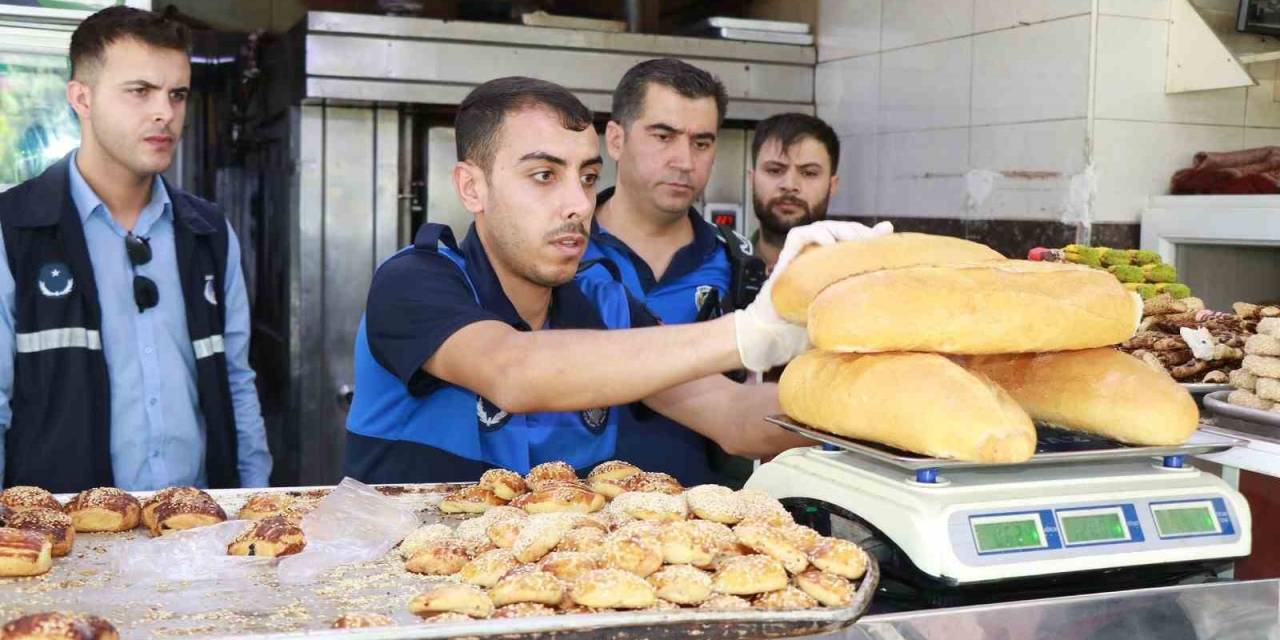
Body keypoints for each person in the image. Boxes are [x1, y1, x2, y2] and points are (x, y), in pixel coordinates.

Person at [344, 76, 887, 483]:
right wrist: (747, 333)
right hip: (406, 600)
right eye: (543, 176)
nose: (578, 204)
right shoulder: (417, 281)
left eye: (586, 177)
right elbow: (514, 372)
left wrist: (869, 393)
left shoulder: (603, 298)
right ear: (472, 188)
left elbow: (733, 417)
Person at [0, 6, 272, 492]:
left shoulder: (208, 232)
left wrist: (251, 502)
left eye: (177, 94)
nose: (164, 113)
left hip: (193, 530)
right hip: (63, 544)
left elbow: (237, 382)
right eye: (140, 92)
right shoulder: (15, 230)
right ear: (81, 98)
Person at [582, 58, 765, 484]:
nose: (684, 160)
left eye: (701, 143)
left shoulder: (737, 265)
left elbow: (745, 410)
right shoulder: (560, 254)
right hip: (569, 519)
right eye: (663, 136)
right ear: (615, 139)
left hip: (700, 529)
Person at [749, 113, 842, 275]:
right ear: (752, 179)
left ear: (831, 185)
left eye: (809, 173)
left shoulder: (857, 279)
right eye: (775, 170)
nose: (790, 185)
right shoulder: (719, 272)